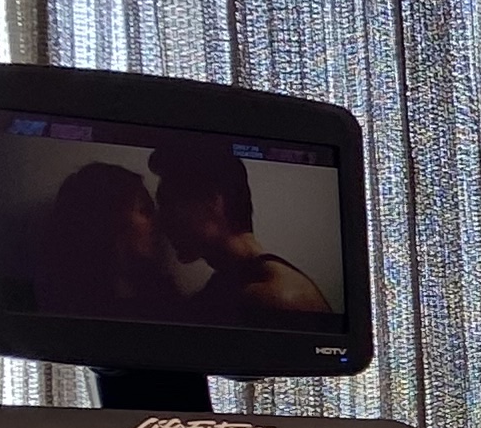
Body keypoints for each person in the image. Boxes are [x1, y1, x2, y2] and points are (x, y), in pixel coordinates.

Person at [145, 138, 337, 325]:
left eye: (169, 205)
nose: (161, 222)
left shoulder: (275, 297)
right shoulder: (231, 283)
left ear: (212, 201)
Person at [30, 161, 178, 322]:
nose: (157, 223)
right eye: (145, 211)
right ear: (107, 218)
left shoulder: (160, 294)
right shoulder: (59, 303)